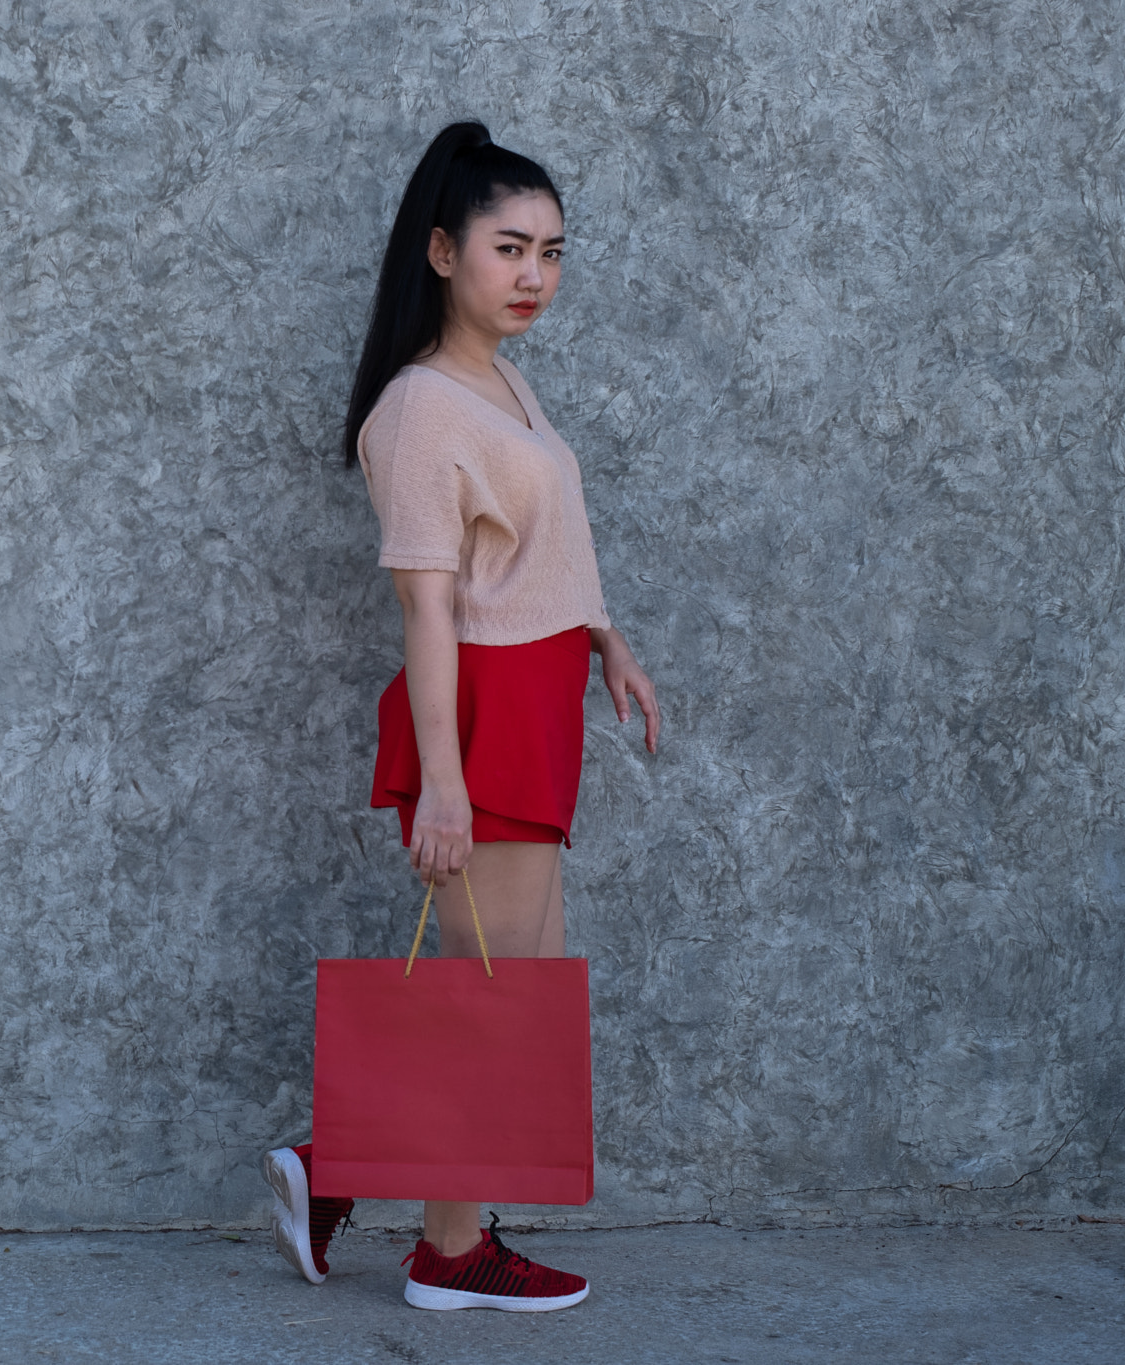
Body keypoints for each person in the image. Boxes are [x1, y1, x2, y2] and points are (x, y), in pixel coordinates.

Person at [263, 122, 661, 1312]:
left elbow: (532, 549)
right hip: (481, 716)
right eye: (506, 247)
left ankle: (337, 1178)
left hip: (534, 702)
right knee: (497, 990)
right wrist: (442, 781)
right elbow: (428, 615)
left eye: (550, 250)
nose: (533, 273)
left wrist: (605, 639)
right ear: (440, 251)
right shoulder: (425, 408)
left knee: (500, 983)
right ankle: (437, 1246)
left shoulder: (502, 378)